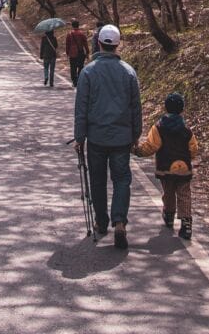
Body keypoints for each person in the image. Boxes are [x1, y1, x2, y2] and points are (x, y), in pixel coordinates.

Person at [74, 24, 141, 249]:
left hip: (96, 137)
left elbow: (81, 108)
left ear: (99, 43)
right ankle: (119, 220)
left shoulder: (88, 72)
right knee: (122, 179)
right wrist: (136, 134)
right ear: (117, 44)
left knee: (98, 180)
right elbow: (135, 108)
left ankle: (101, 222)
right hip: (122, 137)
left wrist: (79, 137)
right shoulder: (128, 72)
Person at [135, 91, 198, 241]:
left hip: (165, 167)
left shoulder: (159, 127)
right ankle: (186, 223)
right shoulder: (186, 130)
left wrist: (137, 151)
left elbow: (151, 146)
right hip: (184, 168)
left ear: (166, 108)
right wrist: (190, 157)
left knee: (168, 193)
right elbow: (193, 148)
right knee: (184, 194)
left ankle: (169, 215)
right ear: (182, 109)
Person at [65, 19, 89, 87]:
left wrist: (67, 53)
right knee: (81, 67)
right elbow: (85, 44)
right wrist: (87, 52)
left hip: (72, 54)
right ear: (78, 25)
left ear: (72, 26)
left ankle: (74, 81)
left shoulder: (69, 34)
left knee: (73, 68)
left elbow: (67, 45)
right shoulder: (81, 34)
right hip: (80, 53)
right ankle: (79, 80)